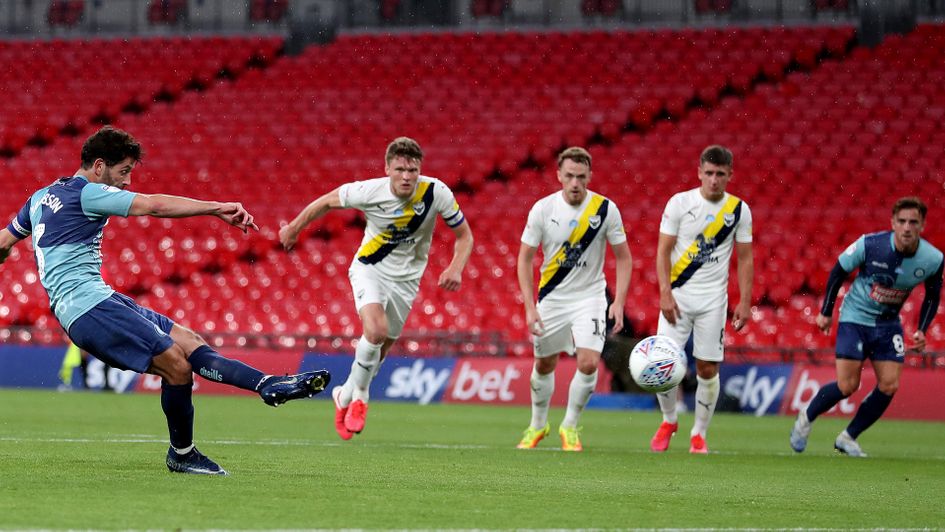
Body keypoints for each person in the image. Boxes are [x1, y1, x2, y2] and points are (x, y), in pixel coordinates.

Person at [0, 126, 330, 476]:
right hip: (86, 307)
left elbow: (5, 240)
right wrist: (216, 208)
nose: (126, 182)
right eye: (123, 171)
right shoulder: (88, 193)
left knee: (189, 341)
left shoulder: (40, 197)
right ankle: (183, 454)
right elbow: (153, 205)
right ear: (99, 166)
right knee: (176, 365)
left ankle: (267, 384)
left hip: (100, 298)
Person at [279, 137, 473, 441]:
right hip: (370, 269)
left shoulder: (437, 193)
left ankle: (343, 395)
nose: (407, 176)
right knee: (376, 330)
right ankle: (361, 397)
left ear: (420, 170)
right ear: (387, 169)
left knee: (380, 349)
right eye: (400, 169)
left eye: (413, 169)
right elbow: (327, 201)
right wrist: (294, 227)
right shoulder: (370, 190)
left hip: (407, 281)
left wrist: (455, 268)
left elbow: (464, 236)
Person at [790, 197, 942, 457]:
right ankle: (806, 416)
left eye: (913, 222)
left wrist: (922, 330)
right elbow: (838, 272)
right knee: (847, 385)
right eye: (902, 221)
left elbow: (932, 295)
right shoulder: (870, 244)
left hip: (888, 323)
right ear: (892, 222)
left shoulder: (933, 258)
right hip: (855, 317)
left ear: (922, 225)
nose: (907, 227)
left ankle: (848, 437)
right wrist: (826, 312)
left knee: (890, 385)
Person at [515, 146, 632, 452]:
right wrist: (529, 307)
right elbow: (524, 259)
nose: (575, 183)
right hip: (552, 298)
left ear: (590, 176)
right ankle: (538, 425)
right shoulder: (543, 209)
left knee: (590, 362)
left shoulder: (606, 210)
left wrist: (618, 301)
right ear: (559, 176)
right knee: (544, 364)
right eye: (569, 176)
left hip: (590, 297)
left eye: (581, 176)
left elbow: (623, 257)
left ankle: (570, 426)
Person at [650, 145, 753, 454]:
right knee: (662, 364)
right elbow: (663, 250)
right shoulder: (680, 203)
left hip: (713, 301)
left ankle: (699, 433)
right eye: (708, 173)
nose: (713, 180)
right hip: (678, 298)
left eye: (720, 174)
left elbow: (745, 259)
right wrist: (665, 293)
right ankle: (669, 420)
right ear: (699, 173)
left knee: (707, 369)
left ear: (730, 176)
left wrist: (745, 301)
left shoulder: (738, 210)